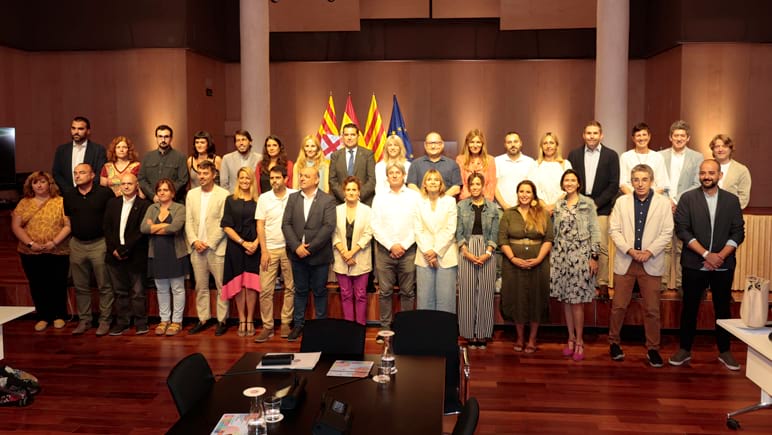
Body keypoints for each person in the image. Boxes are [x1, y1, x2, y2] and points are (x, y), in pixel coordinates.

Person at [669, 159, 745, 370]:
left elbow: (738, 232)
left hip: (723, 263)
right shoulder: (687, 198)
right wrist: (705, 254)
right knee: (690, 308)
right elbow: (682, 230)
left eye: (711, 173)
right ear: (699, 175)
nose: (707, 176)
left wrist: (719, 256)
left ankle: (725, 351)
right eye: (703, 173)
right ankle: (684, 349)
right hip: (694, 263)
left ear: (719, 175)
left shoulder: (731, 200)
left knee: (723, 309)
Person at [608, 164, 673, 367]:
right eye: (636, 179)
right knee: (618, 306)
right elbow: (614, 229)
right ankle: (613, 343)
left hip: (650, 261)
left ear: (651, 181)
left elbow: (667, 232)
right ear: (631, 181)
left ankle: (653, 349)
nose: (640, 184)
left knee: (652, 309)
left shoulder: (663, 203)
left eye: (644, 179)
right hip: (626, 261)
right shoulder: (622, 202)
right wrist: (629, 250)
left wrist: (649, 252)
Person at [11, 171, 71, 332]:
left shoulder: (60, 202)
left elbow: (68, 226)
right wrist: (30, 244)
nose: (39, 185)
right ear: (31, 186)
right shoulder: (24, 203)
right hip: (30, 252)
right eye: (35, 182)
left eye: (43, 182)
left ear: (49, 184)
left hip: (57, 251)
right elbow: (16, 226)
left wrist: (54, 242)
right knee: (38, 284)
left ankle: (59, 315)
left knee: (57, 283)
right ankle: (43, 316)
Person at [281, 166, 336, 341]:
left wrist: (309, 248)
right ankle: (298, 325)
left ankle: (320, 327)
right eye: (301, 175)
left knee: (320, 291)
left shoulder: (327, 200)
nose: (302, 178)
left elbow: (328, 227)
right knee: (300, 291)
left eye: (306, 176)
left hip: (319, 255)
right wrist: (297, 246)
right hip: (297, 255)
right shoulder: (293, 198)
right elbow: (286, 224)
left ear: (316, 179)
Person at [549, 169, 599, 361]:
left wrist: (594, 256)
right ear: (563, 184)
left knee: (577, 302)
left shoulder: (587, 204)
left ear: (578, 184)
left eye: (573, 180)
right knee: (566, 301)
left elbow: (595, 230)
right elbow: (555, 231)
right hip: (561, 256)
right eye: (566, 180)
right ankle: (569, 338)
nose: (569, 183)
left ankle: (579, 341)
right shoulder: (559, 205)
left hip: (580, 255)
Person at [498, 180, 553, 353]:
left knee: (536, 299)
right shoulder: (508, 214)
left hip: (539, 263)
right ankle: (520, 337)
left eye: (528, 192)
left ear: (533, 194)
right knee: (517, 298)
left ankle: (532, 339)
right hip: (513, 263)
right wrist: (513, 258)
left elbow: (549, 239)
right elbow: (502, 239)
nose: (524, 195)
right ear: (517, 193)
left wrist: (538, 259)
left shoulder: (542, 213)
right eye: (521, 191)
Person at [567, 121, 620, 299]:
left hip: (601, 208)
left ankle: (602, 283)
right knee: (580, 245)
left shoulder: (611, 155)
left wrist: (595, 204)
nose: (591, 136)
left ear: (601, 135)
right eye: (588, 133)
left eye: (595, 133)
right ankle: (581, 281)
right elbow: (570, 181)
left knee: (601, 247)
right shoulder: (574, 155)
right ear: (583, 135)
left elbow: (613, 185)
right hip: (578, 206)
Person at [63, 163, 115, 336]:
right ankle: (84, 320)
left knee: (104, 285)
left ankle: (105, 321)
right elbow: (69, 220)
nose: (77, 176)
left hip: (99, 243)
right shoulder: (69, 195)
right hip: (77, 244)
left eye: (82, 173)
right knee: (80, 286)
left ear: (92, 175)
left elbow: (112, 220)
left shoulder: (104, 193)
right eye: (75, 173)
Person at [371, 163, 419, 333]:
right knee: (385, 293)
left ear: (404, 175)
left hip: (409, 251)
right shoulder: (380, 197)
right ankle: (385, 330)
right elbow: (375, 225)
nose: (394, 175)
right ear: (387, 177)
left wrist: (403, 245)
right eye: (391, 173)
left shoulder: (414, 197)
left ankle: (407, 330)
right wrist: (391, 245)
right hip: (385, 251)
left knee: (408, 292)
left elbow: (418, 224)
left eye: (397, 172)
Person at [185, 160, 231, 336]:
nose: (201, 177)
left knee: (221, 287)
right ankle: (203, 318)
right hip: (196, 248)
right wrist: (195, 241)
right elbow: (188, 221)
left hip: (216, 249)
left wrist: (209, 243)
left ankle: (222, 320)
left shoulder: (224, 194)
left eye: (205, 173)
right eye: (199, 173)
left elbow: (223, 223)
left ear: (214, 174)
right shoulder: (191, 195)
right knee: (200, 286)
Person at [103, 173, 152, 336]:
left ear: (136, 185)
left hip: (135, 254)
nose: (125, 186)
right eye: (123, 184)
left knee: (138, 292)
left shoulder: (145, 205)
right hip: (114, 255)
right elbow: (107, 228)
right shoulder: (112, 203)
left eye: (129, 183)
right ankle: (123, 322)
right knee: (120, 291)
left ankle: (140, 322)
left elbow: (141, 231)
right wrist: (114, 249)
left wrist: (125, 249)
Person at [456, 173, 499, 349]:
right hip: (467, 249)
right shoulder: (461, 206)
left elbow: (495, 233)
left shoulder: (493, 207)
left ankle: (482, 334)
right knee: (467, 293)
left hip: (487, 250)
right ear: (468, 186)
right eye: (471, 184)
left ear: (483, 186)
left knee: (485, 293)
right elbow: (458, 232)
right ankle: (468, 334)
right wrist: (465, 251)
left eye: (477, 184)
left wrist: (487, 253)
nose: (474, 187)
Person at [141, 179, 188, 336]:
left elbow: (176, 228)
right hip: (157, 254)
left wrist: (154, 227)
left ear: (172, 193)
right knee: (161, 289)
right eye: (159, 190)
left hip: (175, 253)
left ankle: (177, 321)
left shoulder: (180, 208)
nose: (162, 192)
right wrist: (164, 227)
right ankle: (164, 319)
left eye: (166, 190)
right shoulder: (152, 208)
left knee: (177, 288)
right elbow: (143, 228)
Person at [660, 120, 703, 290]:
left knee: (681, 246)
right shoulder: (660, 156)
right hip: (663, 205)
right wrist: (667, 201)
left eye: (682, 136)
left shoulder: (697, 157)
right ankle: (662, 282)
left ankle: (680, 283)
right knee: (664, 246)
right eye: (676, 135)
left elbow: (696, 183)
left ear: (688, 138)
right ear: (670, 137)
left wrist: (677, 200)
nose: (679, 138)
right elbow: (657, 181)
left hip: (685, 207)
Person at [255, 166, 297, 342]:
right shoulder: (264, 198)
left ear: (286, 179)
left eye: (277, 178)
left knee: (290, 287)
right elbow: (260, 225)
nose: (274, 181)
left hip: (289, 248)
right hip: (270, 249)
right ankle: (268, 326)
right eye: (272, 178)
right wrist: (263, 250)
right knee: (265, 289)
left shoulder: (295, 195)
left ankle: (286, 322)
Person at [221, 167, 261, 337]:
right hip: (236, 246)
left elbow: (263, 225)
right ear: (238, 180)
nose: (245, 181)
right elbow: (226, 226)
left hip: (255, 246)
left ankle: (250, 319)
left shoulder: (259, 201)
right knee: (238, 286)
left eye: (248, 178)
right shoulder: (230, 200)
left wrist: (256, 243)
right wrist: (243, 242)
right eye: (242, 178)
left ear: (252, 181)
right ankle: (242, 319)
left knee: (251, 285)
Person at [414, 169, 458, 313]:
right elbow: (418, 229)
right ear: (424, 184)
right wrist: (428, 252)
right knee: (424, 300)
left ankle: (444, 335)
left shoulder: (450, 201)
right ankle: (426, 334)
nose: (433, 182)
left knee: (446, 301)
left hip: (446, 256)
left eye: (436, 179)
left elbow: (450, 230)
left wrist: (436, 252)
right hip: (423, 256)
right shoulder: (419, 203)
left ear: (441, 184)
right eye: (429, 179)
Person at [332, 176, 373, 325]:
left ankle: (360, 327)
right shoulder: (336, 210)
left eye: (354, 189)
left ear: (359, 192)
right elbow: (333, 233)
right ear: (344, 192)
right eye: (348, 189)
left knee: (361, 294)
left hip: (360, 257)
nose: (351, 192)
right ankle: (349, 328)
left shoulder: (367, 211)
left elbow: (369, 233)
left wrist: (352, 252)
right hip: (341, 258)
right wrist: (344, 253)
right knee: (345, 294)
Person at [52, 116, 107, 194]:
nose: (76, 132)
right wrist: (69, 191)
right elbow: (56, 173)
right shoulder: (61, 150)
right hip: (67, 194)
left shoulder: (98, 150)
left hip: (91, 194)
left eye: (80, 129)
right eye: (73, 128)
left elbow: (99, 173)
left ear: (88, 131)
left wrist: (87, 190)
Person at [138, 124, 189, 202]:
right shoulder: (147, 157)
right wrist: (153, 195)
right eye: (160, 136)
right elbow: (142, 179)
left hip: (174, 202)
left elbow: (183, 180)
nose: (163, 140)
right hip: (151, 202)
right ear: (156, 138)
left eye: (166, 137)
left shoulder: (180, 157)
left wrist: (167, 194)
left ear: (171, 138)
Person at [329, 123, 376, 205]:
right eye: (346, 135)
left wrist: (357, 196)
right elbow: (332, 180)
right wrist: (345, 196)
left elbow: (372, 180)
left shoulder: (368, 154)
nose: (349, 138)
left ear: (358, 136)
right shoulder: (335, 156)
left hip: (363, 202)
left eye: (353, 135)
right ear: (342, 137)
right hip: (341, 203)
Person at [618, 123, 670, 195]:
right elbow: (623, 184)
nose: (642, 138)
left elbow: (661, 185)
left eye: (644, 135)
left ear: (649, 137)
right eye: (638, 135)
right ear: (633, 138)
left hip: (653, 200)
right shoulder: (625, 156)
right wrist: (634, 198)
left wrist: (648, 199)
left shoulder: (658, 157)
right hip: (631, 199)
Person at [528, 132, 572, 214]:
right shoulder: (535, 164)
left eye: (551, 143)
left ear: (556, 146)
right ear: (541, 147)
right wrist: (544, 206)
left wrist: (554, 206)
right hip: (540, 210)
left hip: (562, 210)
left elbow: (569, 187)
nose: (548, 146)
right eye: (545, 143)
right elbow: (532, 188)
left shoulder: (565, 164)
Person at [407, 132, 462, 198]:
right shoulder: (415, 164)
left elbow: (456, 188)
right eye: (430, 143)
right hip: (421, 205)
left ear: (442, 144)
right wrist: (424, 199)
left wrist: (440, 200)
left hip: (445, 205)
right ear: (425, 145)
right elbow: (411, 185)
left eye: (436, 143)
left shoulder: (452, 164)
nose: (433, 146)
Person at [494, 131, 536, 210]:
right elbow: (494, 186)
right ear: (505, 145)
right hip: (501, 209)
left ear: (520, 143)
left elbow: (532, 187)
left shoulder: (530, 162)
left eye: (515, 142)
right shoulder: (497, 161)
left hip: (524, 209)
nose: (513, 145)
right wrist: (504, 205)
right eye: (509, 142)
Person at [709, 134, 752, 209]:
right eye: (717, 146)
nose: (720, 149)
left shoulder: (741, 170)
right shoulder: (706, 167)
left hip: (730, 214)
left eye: (724, 146)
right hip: (706, 213)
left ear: (730, 149)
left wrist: (728, 210)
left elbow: (744, 198)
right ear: (713, 149)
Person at [456, 129, 497, 201]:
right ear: (467, 144)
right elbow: (462, 183)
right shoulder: (460, 159)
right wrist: (469, 199)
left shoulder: (490, 159)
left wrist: (484, 200)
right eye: (472, 142)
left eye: (478, 142)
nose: (475, 145)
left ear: (482, 144)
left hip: (485, 201)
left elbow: (491, 183)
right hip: (466, 201)